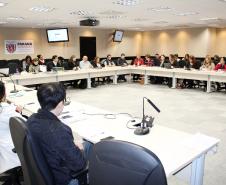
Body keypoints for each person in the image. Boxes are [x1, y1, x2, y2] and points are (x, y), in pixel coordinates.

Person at [26, 83, 91, 185]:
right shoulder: (59, 130)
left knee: (87, 144)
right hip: (64, 178)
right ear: (60, 103)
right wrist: (78, 149)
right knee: (90, 146)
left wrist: (72, 146)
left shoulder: (32, 119)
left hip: (45, 166)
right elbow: (79, 165)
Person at [0, 81, 23, 176]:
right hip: (10, 154)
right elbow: (25, 127)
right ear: (4, 94)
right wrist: (19, 112)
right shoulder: (8, 111)